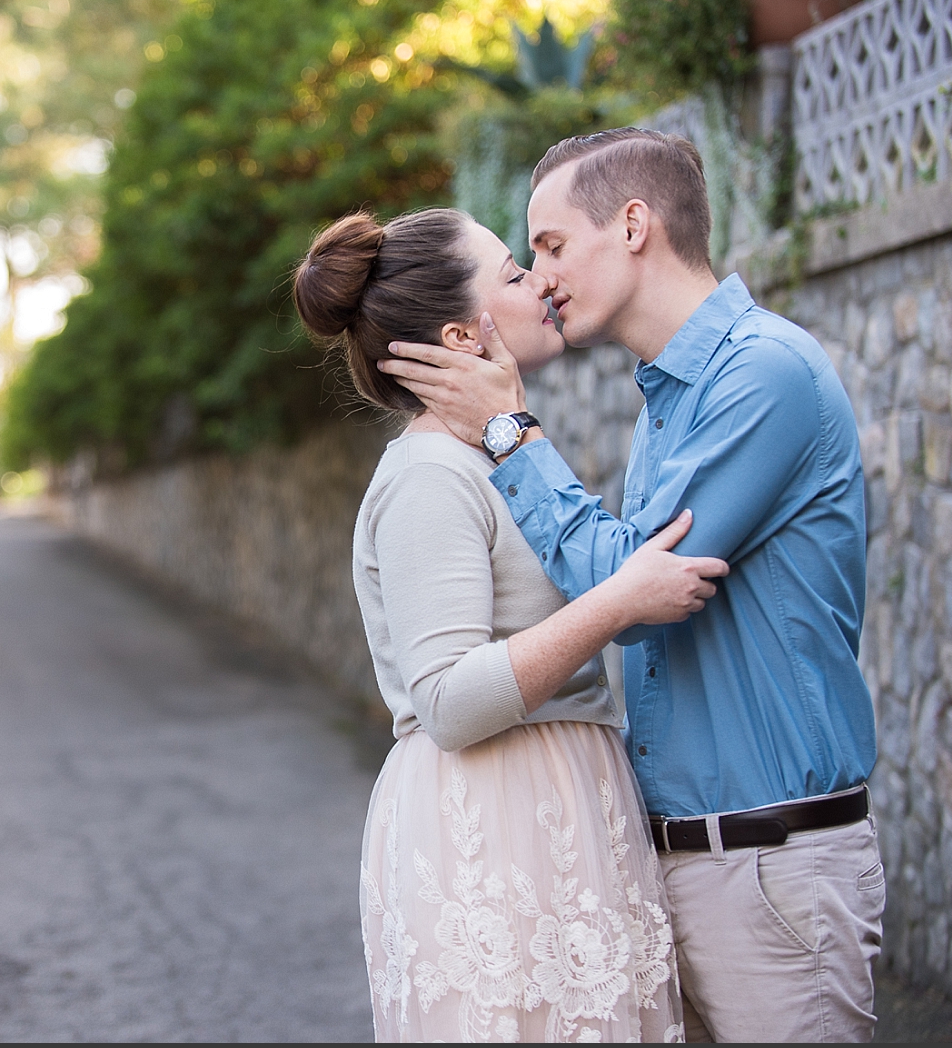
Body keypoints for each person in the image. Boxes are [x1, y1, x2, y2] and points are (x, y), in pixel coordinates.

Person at [377, 128, 885, 1043]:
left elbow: (633, 588)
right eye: (526, 256)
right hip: (672, 861)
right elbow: (623, 591)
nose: (538, 276)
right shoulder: (669, 398)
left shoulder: (760, 376)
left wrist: (511, 436)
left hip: (765, 859)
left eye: (551, 244)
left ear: (636, 224)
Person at [294, 207, 731, 1042]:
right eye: (514, 273)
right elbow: (450, 702)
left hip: (565, 798)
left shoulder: (500, 456)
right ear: (466, 335)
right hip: (490, 819)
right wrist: (619, 601)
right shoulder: (429, 477)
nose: (539, 280)